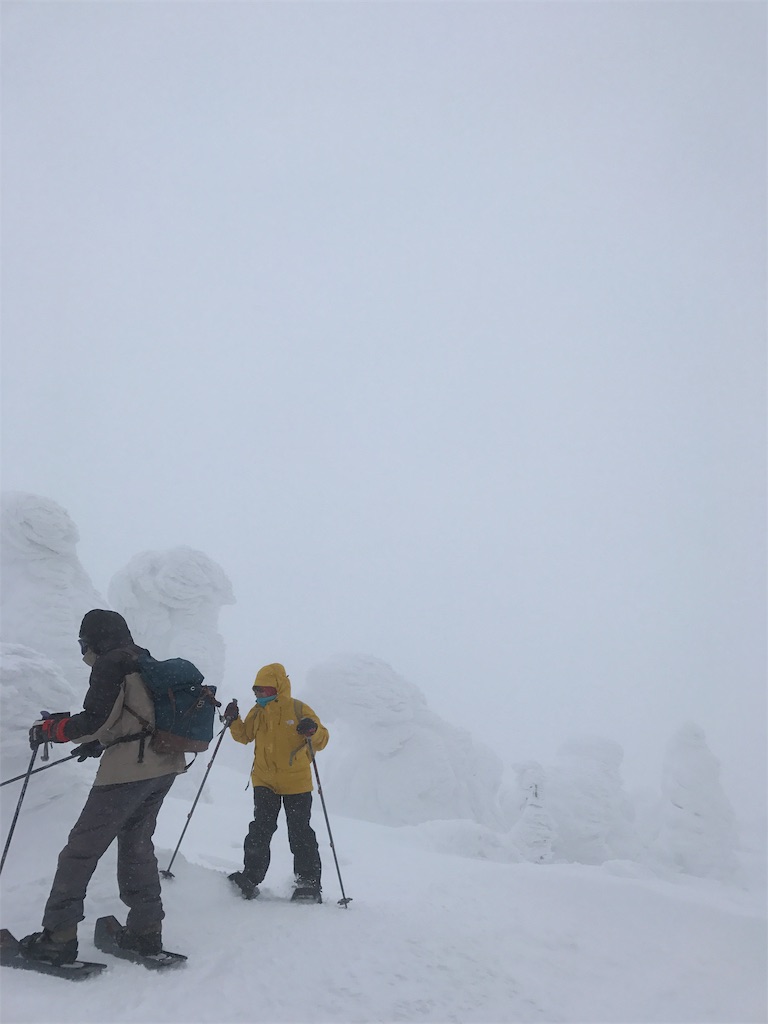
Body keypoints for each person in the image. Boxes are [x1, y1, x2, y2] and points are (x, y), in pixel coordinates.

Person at [19, 609, 186, 965]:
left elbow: (94, 718)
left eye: (83, 642)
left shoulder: (110, 663)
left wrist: (51, 730)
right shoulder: (141, 657)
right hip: (163, 766)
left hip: (128, 773)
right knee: (137, 845)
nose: (82, 649)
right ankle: (145, 933)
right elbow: (130, 714)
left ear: (93, 638)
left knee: (80, 851)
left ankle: (57, 938)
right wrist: (100, 743)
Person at [225, 663, 329, 903]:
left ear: (278, 688)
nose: (259, 694)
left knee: (300, 832)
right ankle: (250, 878)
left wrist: (312, 730)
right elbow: (244, 736)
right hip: (264, 780)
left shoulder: (299, 708)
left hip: (297, 783)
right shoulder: (258, 712)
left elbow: (322, 739)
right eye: (256, 690)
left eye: (263, 689)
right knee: (260, 829)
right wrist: (233, 720)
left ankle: (308, 884)